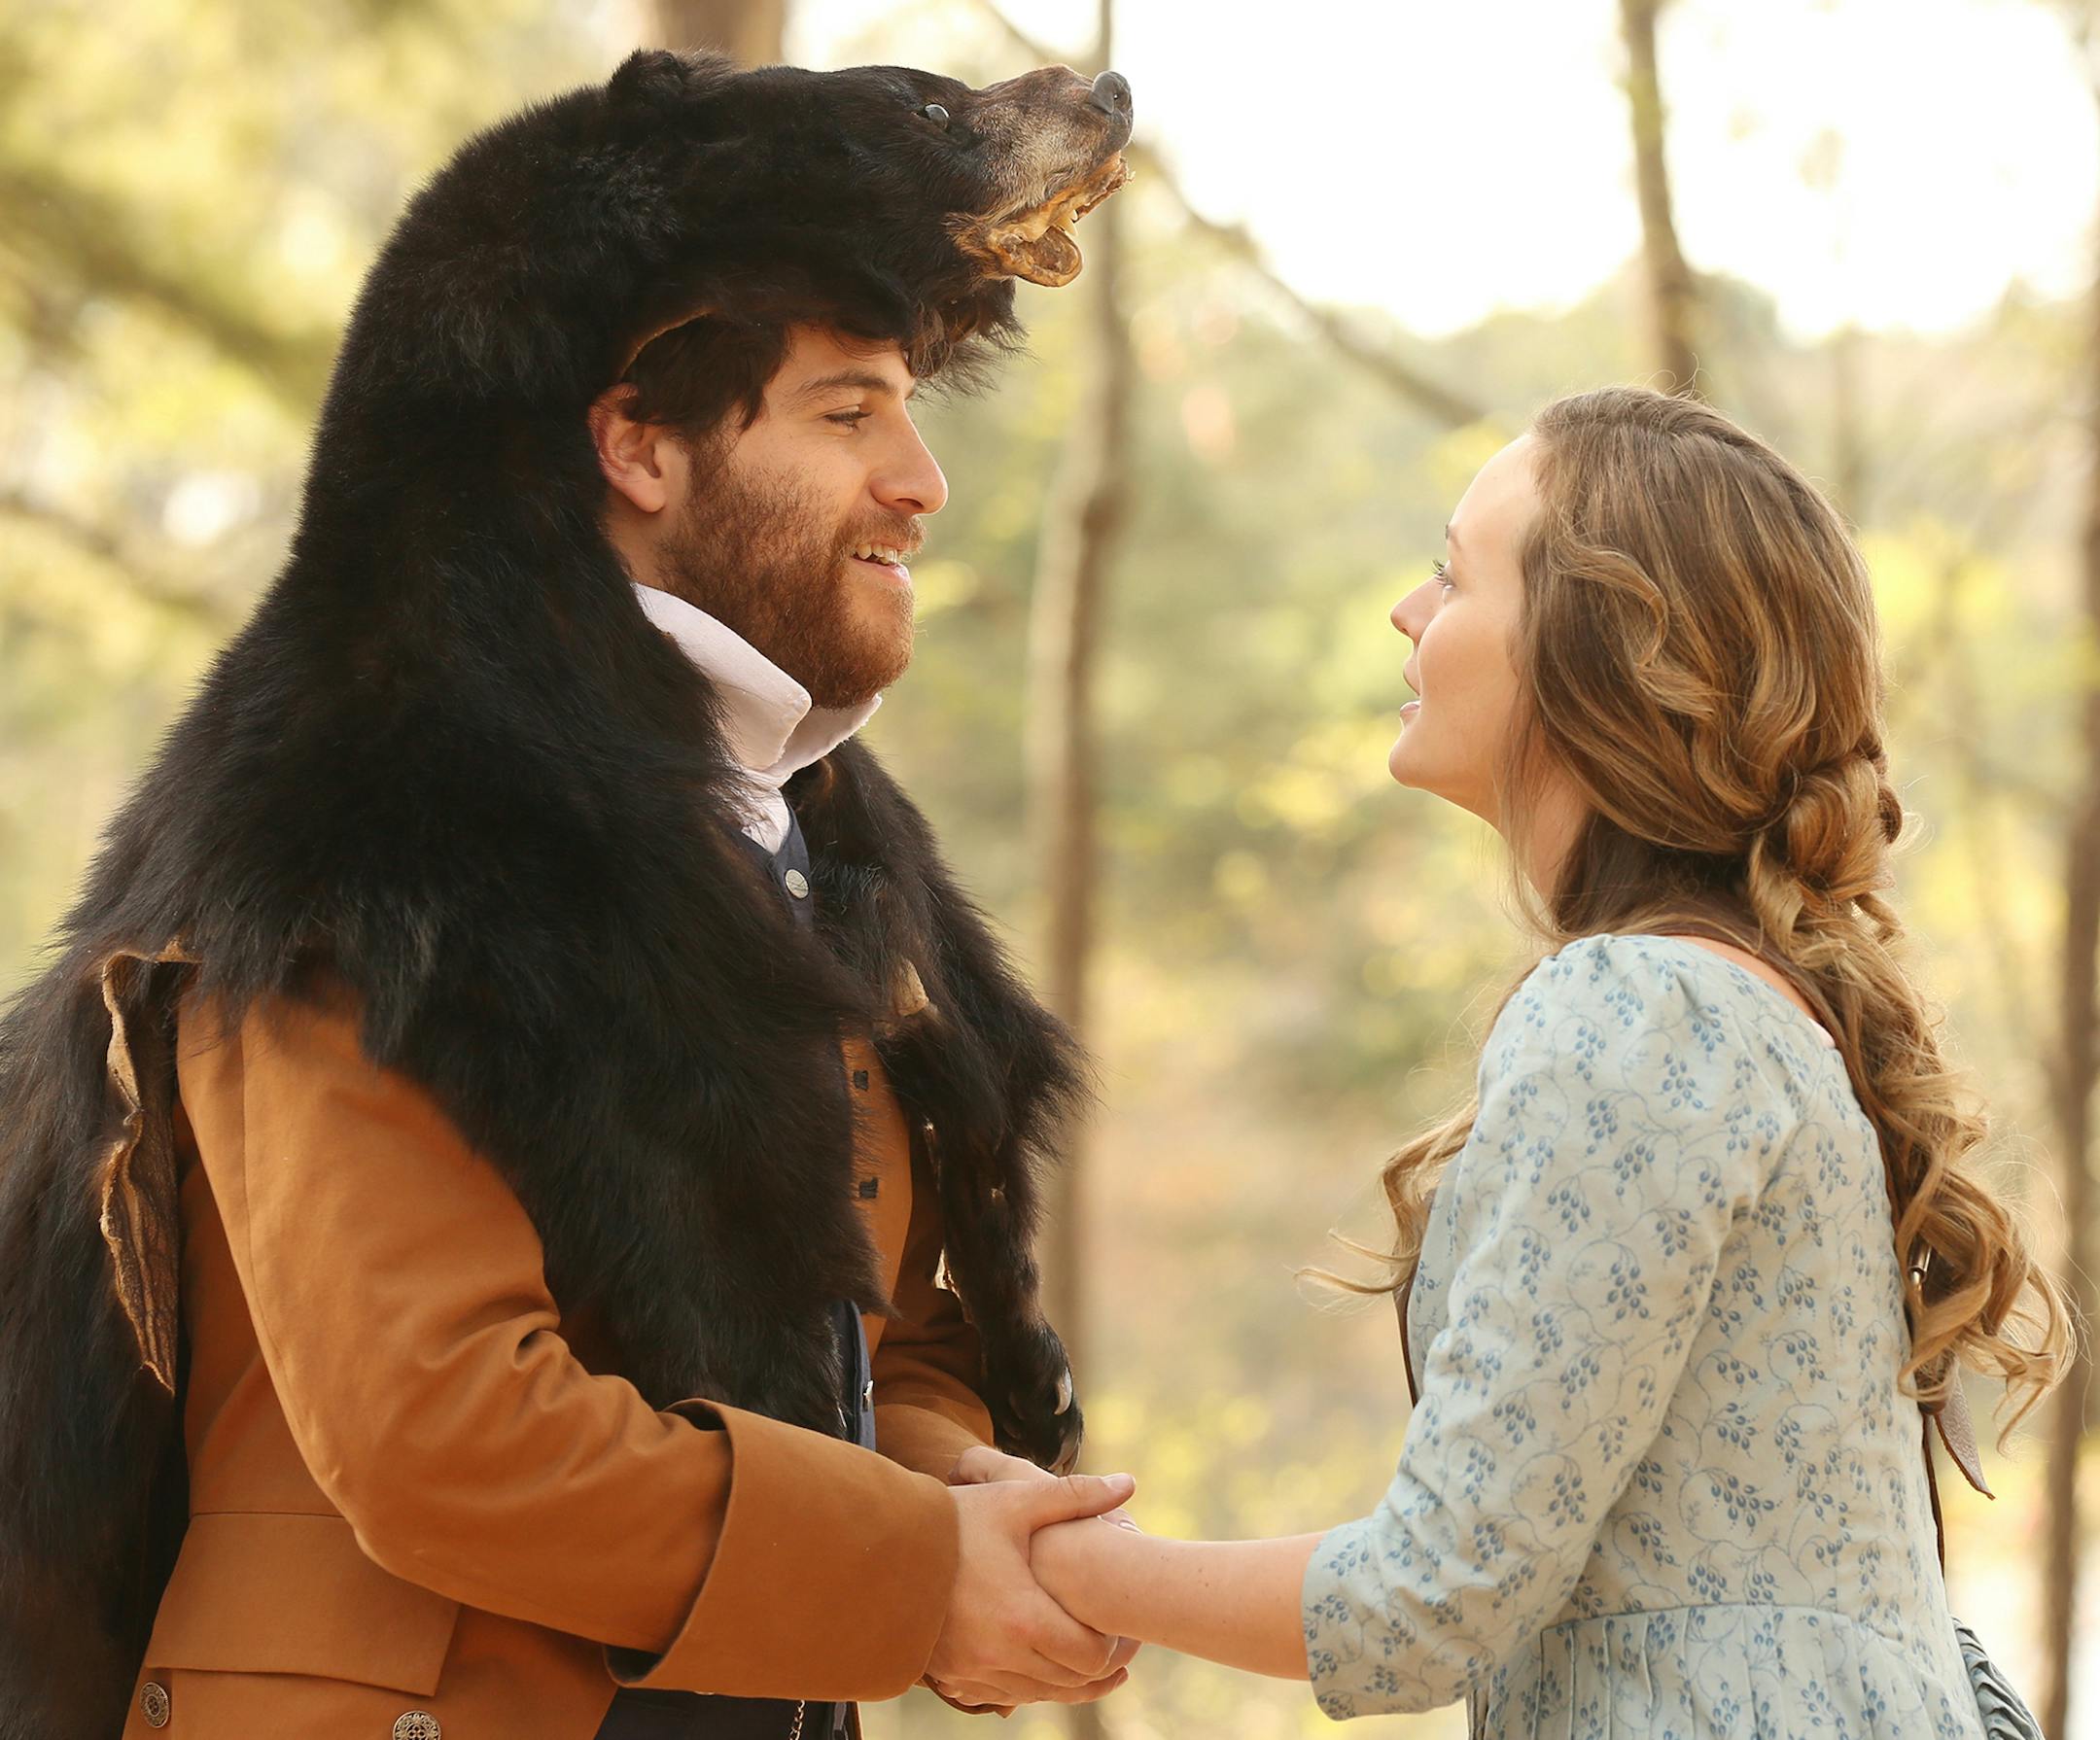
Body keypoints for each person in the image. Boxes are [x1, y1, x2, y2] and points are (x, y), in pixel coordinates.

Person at [0, 52, 1142, 1740]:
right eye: (846, 414)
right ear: (638, 447)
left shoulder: (807, 839)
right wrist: (916, 1570)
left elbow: (849, 1336)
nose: (922, 479)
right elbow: (443, 1425)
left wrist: (955, 1488)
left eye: (911, 409)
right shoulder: (371, 816)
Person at [1013, 387, 2069, 1736]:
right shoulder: (1737, 1006)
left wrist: (1069, 1561)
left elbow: (1430, 1597)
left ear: (1595, 654)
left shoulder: (1642, 1008)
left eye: (1453, 575)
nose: (1407, 612)